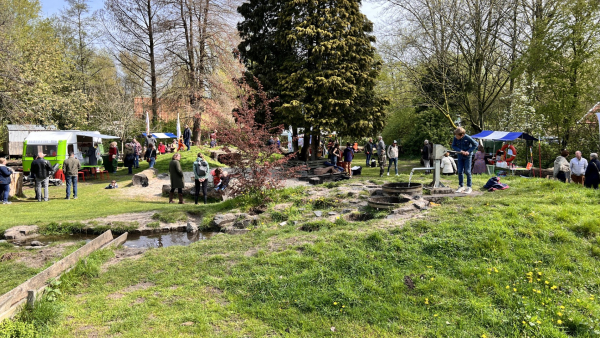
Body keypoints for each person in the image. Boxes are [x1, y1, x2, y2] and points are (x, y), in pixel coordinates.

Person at [451, 128, 479, 194]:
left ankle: (469, 187)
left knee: (467, 171)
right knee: (460, 171)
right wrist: (460, 151)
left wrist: (468, 151)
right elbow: (453, 145)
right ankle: (461, 186)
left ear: (462, 135)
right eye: (455, 136)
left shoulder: (468, 137)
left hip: (468, 157)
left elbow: (475, 144)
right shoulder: (455, 138)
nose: (456, 137)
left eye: (457, 136)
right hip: (460, 156)